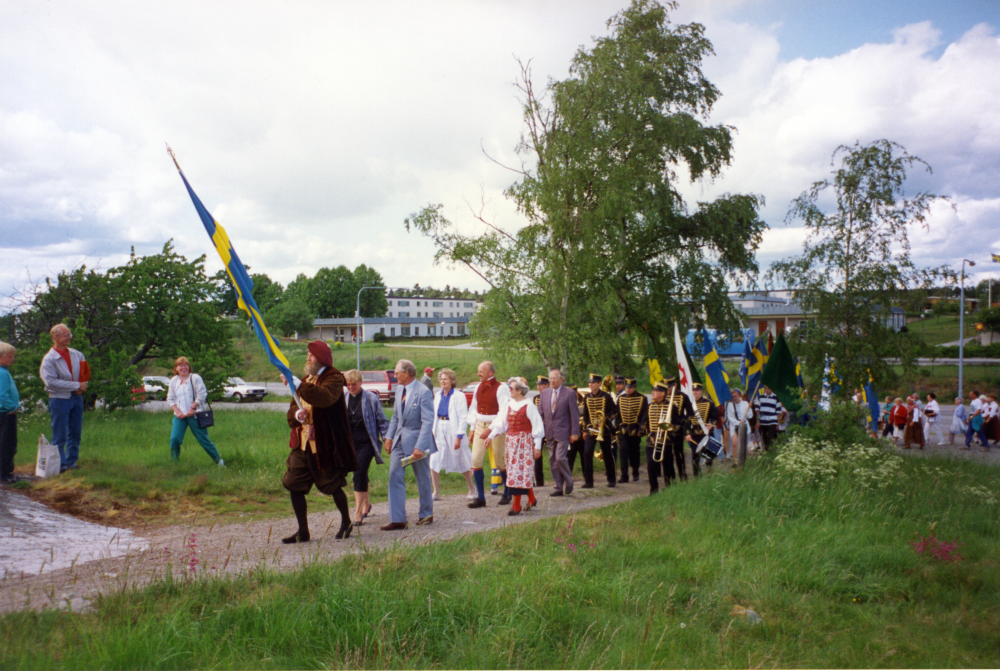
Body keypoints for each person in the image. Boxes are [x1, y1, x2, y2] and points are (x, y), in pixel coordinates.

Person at [281, 341, 360, 543]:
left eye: (311, 355)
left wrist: (297, 384)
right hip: (302, 442)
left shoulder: (333, 377)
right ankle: (303, 531)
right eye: (307, 354)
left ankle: (346, 522)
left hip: (325, 443)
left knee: (332, 484)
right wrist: (296, 415)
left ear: (321, 357)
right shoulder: (307, 379)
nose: (307, 358)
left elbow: (324, 398)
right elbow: (293, 408)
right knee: (294, 484)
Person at [382, 359, 436, 530]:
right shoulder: (399, 390)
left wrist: (420, 446)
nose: (395, 375)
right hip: (399, 440)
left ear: (406, 373)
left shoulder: (423, 392)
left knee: (423, 478)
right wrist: (389, 437)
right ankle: (398, 519)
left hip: (418, 442)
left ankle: (426, 514)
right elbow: (396, 417)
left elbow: (428, 422)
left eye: (397, 372)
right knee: (394, 475)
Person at [485, 377, 544, 515]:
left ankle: (516, 505)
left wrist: (537, 446)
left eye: (511, 388)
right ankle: (532, 498)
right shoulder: (509, 404)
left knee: (519, 472)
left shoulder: (529, 405)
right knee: (515, 472)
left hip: (524, 442)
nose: (509, 390)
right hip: (511, 442)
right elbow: (502, 424)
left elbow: (537, 426)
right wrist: (490, 436)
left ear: (519, 390)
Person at [342, 369, 390, 526]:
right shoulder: (344, 397)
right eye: (348, 384)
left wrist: (387, 439)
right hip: (350, 444)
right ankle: (366, 504)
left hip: (367, 443)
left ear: (361, 383)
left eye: (353, 384)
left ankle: (357, 513)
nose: (350, 387)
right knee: (361, 473)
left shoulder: (371, 398)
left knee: (359, 472)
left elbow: (382, 421)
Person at [39, 324, 88, 473]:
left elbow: (85, 373)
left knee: (75, 432)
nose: (70, 337)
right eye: (66, 335)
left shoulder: (77, 354)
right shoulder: (49, 359)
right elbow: (51, 382)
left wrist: (81, 387)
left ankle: (71, 461)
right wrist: (76, 385)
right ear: (55, 337)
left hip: (76, 398)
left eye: (69, 334)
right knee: (59, 434)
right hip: (59, 399)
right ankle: (60, 464)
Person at [466, 361, 511, 507]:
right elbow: (474, 408)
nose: (478, 373)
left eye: (481, 371)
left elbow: (503, 412)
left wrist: (491, 429)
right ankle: (481, 497)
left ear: (490, 372)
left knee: (499, 461)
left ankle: (508, 492)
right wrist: (472, 428)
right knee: (475, 461)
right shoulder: (478, 387)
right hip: (480, 425)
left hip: (497, 427)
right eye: (478, 371)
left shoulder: (501, 388)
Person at [166, 357, 224, 466]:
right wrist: (177, 411)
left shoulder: (195, 378)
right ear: (176, 368)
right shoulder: (174, 380)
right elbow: (170, 398)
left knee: (203, 440)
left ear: (189, 367)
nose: (184, 368)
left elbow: (202, 395)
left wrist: (192, 408)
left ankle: (219, 461)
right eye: (180, 365)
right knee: (174, 439)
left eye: (186, 365)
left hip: (195, 415)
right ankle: (175, 463)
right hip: (180, 416)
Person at [430, 367, 475, 501]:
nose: (443, 381)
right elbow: (433, 414)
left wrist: (459, 437)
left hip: (453, 428)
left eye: (446, 379)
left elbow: (462, 417)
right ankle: (436, 492)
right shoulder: (438, 395)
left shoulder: (458, 396)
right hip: (439, 428)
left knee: (461, 459)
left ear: (452, 381)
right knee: (434, 460)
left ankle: (472, 488)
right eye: (441, 379)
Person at [539, 368, 580, 496]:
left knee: (560, 458)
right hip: (549, 432)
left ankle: (569, 480)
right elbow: (540, 413)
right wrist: (537, 429)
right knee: (552, 460)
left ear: (561, 380)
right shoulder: (544, 393)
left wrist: (575, 432)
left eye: (554, 378)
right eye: (550, 378)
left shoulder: (569, 393)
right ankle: (558, 487)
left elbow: (574, 414)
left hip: (564, 432)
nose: (552, 381)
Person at [581, 373, 619, 488]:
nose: (591, 385)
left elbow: (615, 412)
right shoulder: (587, 397)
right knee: (587, 453)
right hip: (591, 430)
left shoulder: (606, 396)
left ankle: (611, 479)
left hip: (604, 430)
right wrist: (584, 430)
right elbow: (586, 415)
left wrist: (607, 418)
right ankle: (589, 481)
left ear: (599, 383)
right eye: (590, 383)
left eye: (593, 383)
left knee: (607, 454)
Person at [616, 377, 647, 482]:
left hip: (635, 430)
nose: (628, 389)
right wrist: (617, 427)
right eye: (627, 387)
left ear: (635, 387)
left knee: (634, 452)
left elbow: (644, 416)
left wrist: (641, 429)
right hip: (623, 430)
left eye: (631, 387)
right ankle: (624, 475)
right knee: (623, 452)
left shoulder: (642, 398)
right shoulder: (621, 398)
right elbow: (618, 414)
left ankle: (635, 472)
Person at [663, 378, 693, 481]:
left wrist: (682, 421)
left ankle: (682, 474)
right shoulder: (663, 396)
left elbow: (690, 413)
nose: (668, 389)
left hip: (677, 429)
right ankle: (670, 476)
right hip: (665, 429)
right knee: (667, 453)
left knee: (678, 453)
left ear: (675, 385)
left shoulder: (683, 396)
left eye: (670, 387)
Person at [685, 383, 717, 477]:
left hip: (706, 433)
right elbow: (687, 421)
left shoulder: (709, 403)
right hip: (695, 434)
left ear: (701, 391)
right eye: (694, 391)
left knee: (708, 456)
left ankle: (710, 474)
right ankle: (697, 476)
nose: (696, 392)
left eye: (697, 390)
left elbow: (714, 417)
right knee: (695, 456)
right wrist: (687, 433)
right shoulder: (691, 405)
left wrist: (711, 424)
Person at [0, 342, 19, 483]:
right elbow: (2, 395)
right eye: (9, 356)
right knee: (7, 443)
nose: (12, 359)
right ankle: (5, 473)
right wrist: (12, 407)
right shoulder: (2, 373)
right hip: (5, 413)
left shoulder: (4, 371)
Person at [725, 389, 754, 466]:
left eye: (736, 396)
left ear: (739, 396)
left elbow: (750, 416)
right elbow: (730, 417)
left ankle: (745, 460)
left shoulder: (745, 403)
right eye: (733, 397)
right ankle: (735, 460)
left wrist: (749, 407)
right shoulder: (730, 405)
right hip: (734, 426)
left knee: (744, 445)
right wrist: (738, 423)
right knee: (735, 443)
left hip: (744, 426)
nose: (734, 398)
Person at [753, 385, 783, 452]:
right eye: (765, 388)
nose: (767, 390)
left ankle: (770, 451)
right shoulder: (760, 398)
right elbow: (757, 410)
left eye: (768, 388)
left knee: (770, 436)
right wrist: (758, 421)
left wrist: (778, 423)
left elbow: (778, 412)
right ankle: (767, 452)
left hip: (772, 420)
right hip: (763, 421)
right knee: (764, 437)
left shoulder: (776, 398)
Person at [532, 375, 549, 487]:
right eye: (538, 385)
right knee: (537, 454)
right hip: (540, 428)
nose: (539, 387)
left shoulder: (551, 396)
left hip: (550, 428)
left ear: (547, 385)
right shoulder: (536, 398)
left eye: (542, 384)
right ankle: (539, 480)